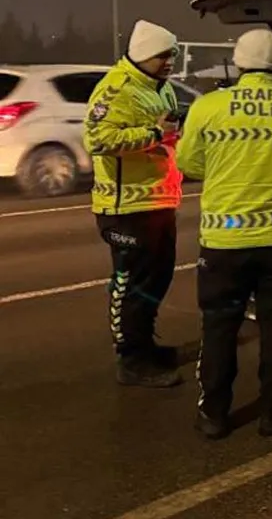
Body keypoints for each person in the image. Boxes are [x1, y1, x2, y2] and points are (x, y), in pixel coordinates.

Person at [176, 29, 272, 439]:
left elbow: (190, 164)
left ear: (239, 61)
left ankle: (213, 413)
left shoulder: (209, 107)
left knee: (219, 327)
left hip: (224, 242)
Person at [84, 20, 185, 389]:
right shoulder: (116, 90)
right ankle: (131, 358)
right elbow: (97, 139)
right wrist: (156, 133)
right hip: (125, 208)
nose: (170, 61)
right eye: (163, 55)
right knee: (132, 284)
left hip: (158, 201)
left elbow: (169, 133)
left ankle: (145, 344)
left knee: (157, 278)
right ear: (143, 55)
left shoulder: (162, 88)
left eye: (172, 54)